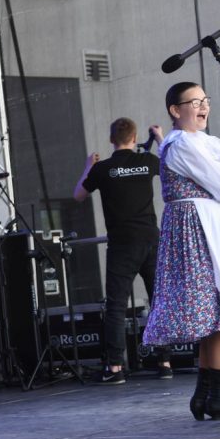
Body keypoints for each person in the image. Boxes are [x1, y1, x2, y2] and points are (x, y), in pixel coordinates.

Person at [142, 82, 220, 420]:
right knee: (219, 305)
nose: (203, 106)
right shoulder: (181, 144)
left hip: (204, 221)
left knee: (215, 309)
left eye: (205, 100)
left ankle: (206, 393)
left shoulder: (201, 142)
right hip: (196, 225)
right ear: (175, 110)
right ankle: (219, 394)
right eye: (194, 102)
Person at [74, 118, 173, 383]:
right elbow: (171, 162)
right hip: (151, 239)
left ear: (111, 140)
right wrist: (160, 137)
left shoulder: (102, 169)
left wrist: (88, 167)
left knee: (116, 306)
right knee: (158, 301)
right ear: (135, 136)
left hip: (122, 244)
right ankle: (164, 362)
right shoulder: (148, 161)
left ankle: (115, 368)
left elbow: (78, 195)